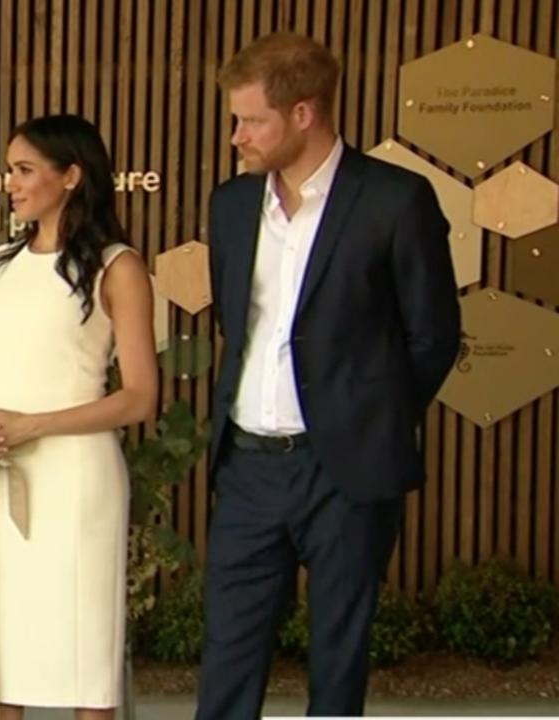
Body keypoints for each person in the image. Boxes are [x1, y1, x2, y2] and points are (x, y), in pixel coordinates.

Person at [196, 33, 460, 719]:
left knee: (338, 666)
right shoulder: (230, 206)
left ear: (305, 114)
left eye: (251, 120)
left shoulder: (396, 200)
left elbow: (433, 337)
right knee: (227, 658)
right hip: (249, 467)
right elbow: (238, 325)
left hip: (346, 472)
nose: (236, 137)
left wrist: (371, 420)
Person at [0, 114, 159, 720]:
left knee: (83, 657)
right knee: (0, 656)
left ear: (71, 175)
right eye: (8, 170)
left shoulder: (118, 267)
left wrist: (30, 425)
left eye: (23, 170)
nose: (9, 183)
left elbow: (140, 397)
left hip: (77, 483)